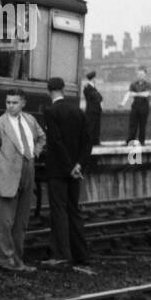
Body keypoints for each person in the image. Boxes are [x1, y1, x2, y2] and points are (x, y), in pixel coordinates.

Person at [0, 89, 46, 272]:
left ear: (23, 103)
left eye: (14, 102)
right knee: (5, 222)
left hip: (27, 173)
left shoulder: (30, 120)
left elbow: (42, 137)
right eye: (8, 102)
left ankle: (17, 261)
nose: (10, 106)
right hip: (6, 177)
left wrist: (35, 152)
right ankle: (4, 261)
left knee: (21, 222)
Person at [41, 77, 93, 273]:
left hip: (58, 170)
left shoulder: (50, 112)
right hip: (76, 171)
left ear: (49, 91)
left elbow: (55, 141)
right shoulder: (78, 111)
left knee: (59, 212)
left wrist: (68, 166)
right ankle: (82, 255)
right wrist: (78, 165)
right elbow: (87, 142)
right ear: (63, 89)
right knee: (74, 210)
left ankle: (62, 255)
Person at [123, 67, 151, 145]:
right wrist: (141, 94)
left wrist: (135, 94)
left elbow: (147, 94)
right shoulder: (133, 84)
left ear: (145, 75)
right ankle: (130, 141)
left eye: (142, 74)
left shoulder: (148, 84)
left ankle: (141, 142)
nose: (140, 76)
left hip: (144, 106)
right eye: (138, 74)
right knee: (132, 125)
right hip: (135, 106)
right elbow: (129, 94)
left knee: (142, 125)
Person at [82, 71, 103, 150]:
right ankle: (90, 142)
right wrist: (99, 98)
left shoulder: (93, 88)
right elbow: (98, 98)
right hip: (91, 110)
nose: (96, 79)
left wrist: (99, 98)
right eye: (95, 78)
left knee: (96, 126)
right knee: (91, 126)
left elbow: (100, 97)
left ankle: (95, 141)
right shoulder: (88, 88)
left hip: (96, 110)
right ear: (93, 78)